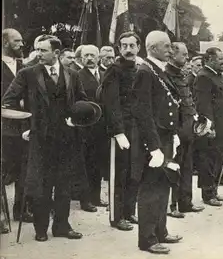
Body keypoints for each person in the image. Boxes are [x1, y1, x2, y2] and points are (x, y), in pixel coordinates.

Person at [2, 34, 88, 242]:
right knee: (42, 186)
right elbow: (7, 102)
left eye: (43, 50)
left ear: (56, 53)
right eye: (37, 50)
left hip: (67, 139)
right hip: (40, 140)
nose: (38, 54)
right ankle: (41, 229)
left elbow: (82, 102)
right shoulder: (27, 74)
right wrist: (25, 126)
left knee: (64, 185)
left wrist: (75, 120)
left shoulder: (72, 75)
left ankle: (62, 226)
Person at [131, 31, 182, 254]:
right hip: (153, 139)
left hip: (165, 135)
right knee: (151, 188)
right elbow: (143, 112)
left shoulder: (157, 69)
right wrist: (153, 147)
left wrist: (173, 133)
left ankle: (161, 231)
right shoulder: (145, 71)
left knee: (164, 184)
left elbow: (168, 105)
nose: (171, 51)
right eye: (167, 47)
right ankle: (148, 239)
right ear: (152, 48)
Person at [100, 32, 141, 231]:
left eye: (132, 45)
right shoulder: (113, 70)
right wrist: (118, 131)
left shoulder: (139, 68)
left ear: (138, 48)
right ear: (118, 48)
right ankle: (117, 217)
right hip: (121, 129)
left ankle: (129, 211)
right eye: (124, 46)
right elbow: (111, 102)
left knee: (134, 172)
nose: (128, 50)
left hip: (137, 127)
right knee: (119, 174)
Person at [193, 47, 223, 207]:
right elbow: (203, 105)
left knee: (218, 159)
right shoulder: (204, 76)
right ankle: (208, 193)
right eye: (221, 60)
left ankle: (214, 190)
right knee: (208, 160)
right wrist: (209, 127)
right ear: (209, 59)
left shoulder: (219, 76)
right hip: (214, 128)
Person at [164, 42, 205, 218]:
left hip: (188, 128)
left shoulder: (181, 75)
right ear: (172, 55)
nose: (187, 57)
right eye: (184, 54)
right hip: (176, 130)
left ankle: (185, 202)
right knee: (173, 167)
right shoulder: (166, 75)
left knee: (187, 166)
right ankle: (171, 206)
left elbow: (188, 101)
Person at [1, 28, 32, 233]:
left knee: (24, 167)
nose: (21, 44)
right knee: (4, 169)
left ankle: (21, 209)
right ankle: (1, 216)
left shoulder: (24, 65)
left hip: (23, 125)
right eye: (17, 41)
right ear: (5, 43)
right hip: (4, 126)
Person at [77, 45, 108, 211]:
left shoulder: (104, 75)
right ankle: (85, 199)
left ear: (98, 58)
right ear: (81, 58)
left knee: (98, 163)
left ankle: (96, 197)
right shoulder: (78, 76)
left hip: (101, 127)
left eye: (92, 55)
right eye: (86, 55)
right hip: (85, 127)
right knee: (86, 165)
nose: (89, 58)